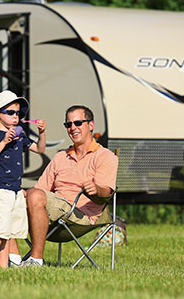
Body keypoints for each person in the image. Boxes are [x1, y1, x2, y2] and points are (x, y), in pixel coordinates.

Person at [21, 105, 118, 267]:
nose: (73, 128)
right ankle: (11, 260)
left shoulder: (105, 156)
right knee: (8, 199)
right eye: (69, 124)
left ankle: (35, 261)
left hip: (80, 216)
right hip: (55, 212)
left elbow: (106, 191)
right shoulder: (61, 157)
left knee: (34, 195)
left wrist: (96, 188)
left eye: (78, 123)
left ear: (91, 125)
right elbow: (40, 189)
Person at [0, 90, 46, 269]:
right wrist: (3, 142)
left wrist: (42, 133)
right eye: (10, 112)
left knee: (8, 232)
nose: (16, 116)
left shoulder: (20, 136)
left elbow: (40, 149)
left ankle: (3, 267)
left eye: (18, 113)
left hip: (16, 191)